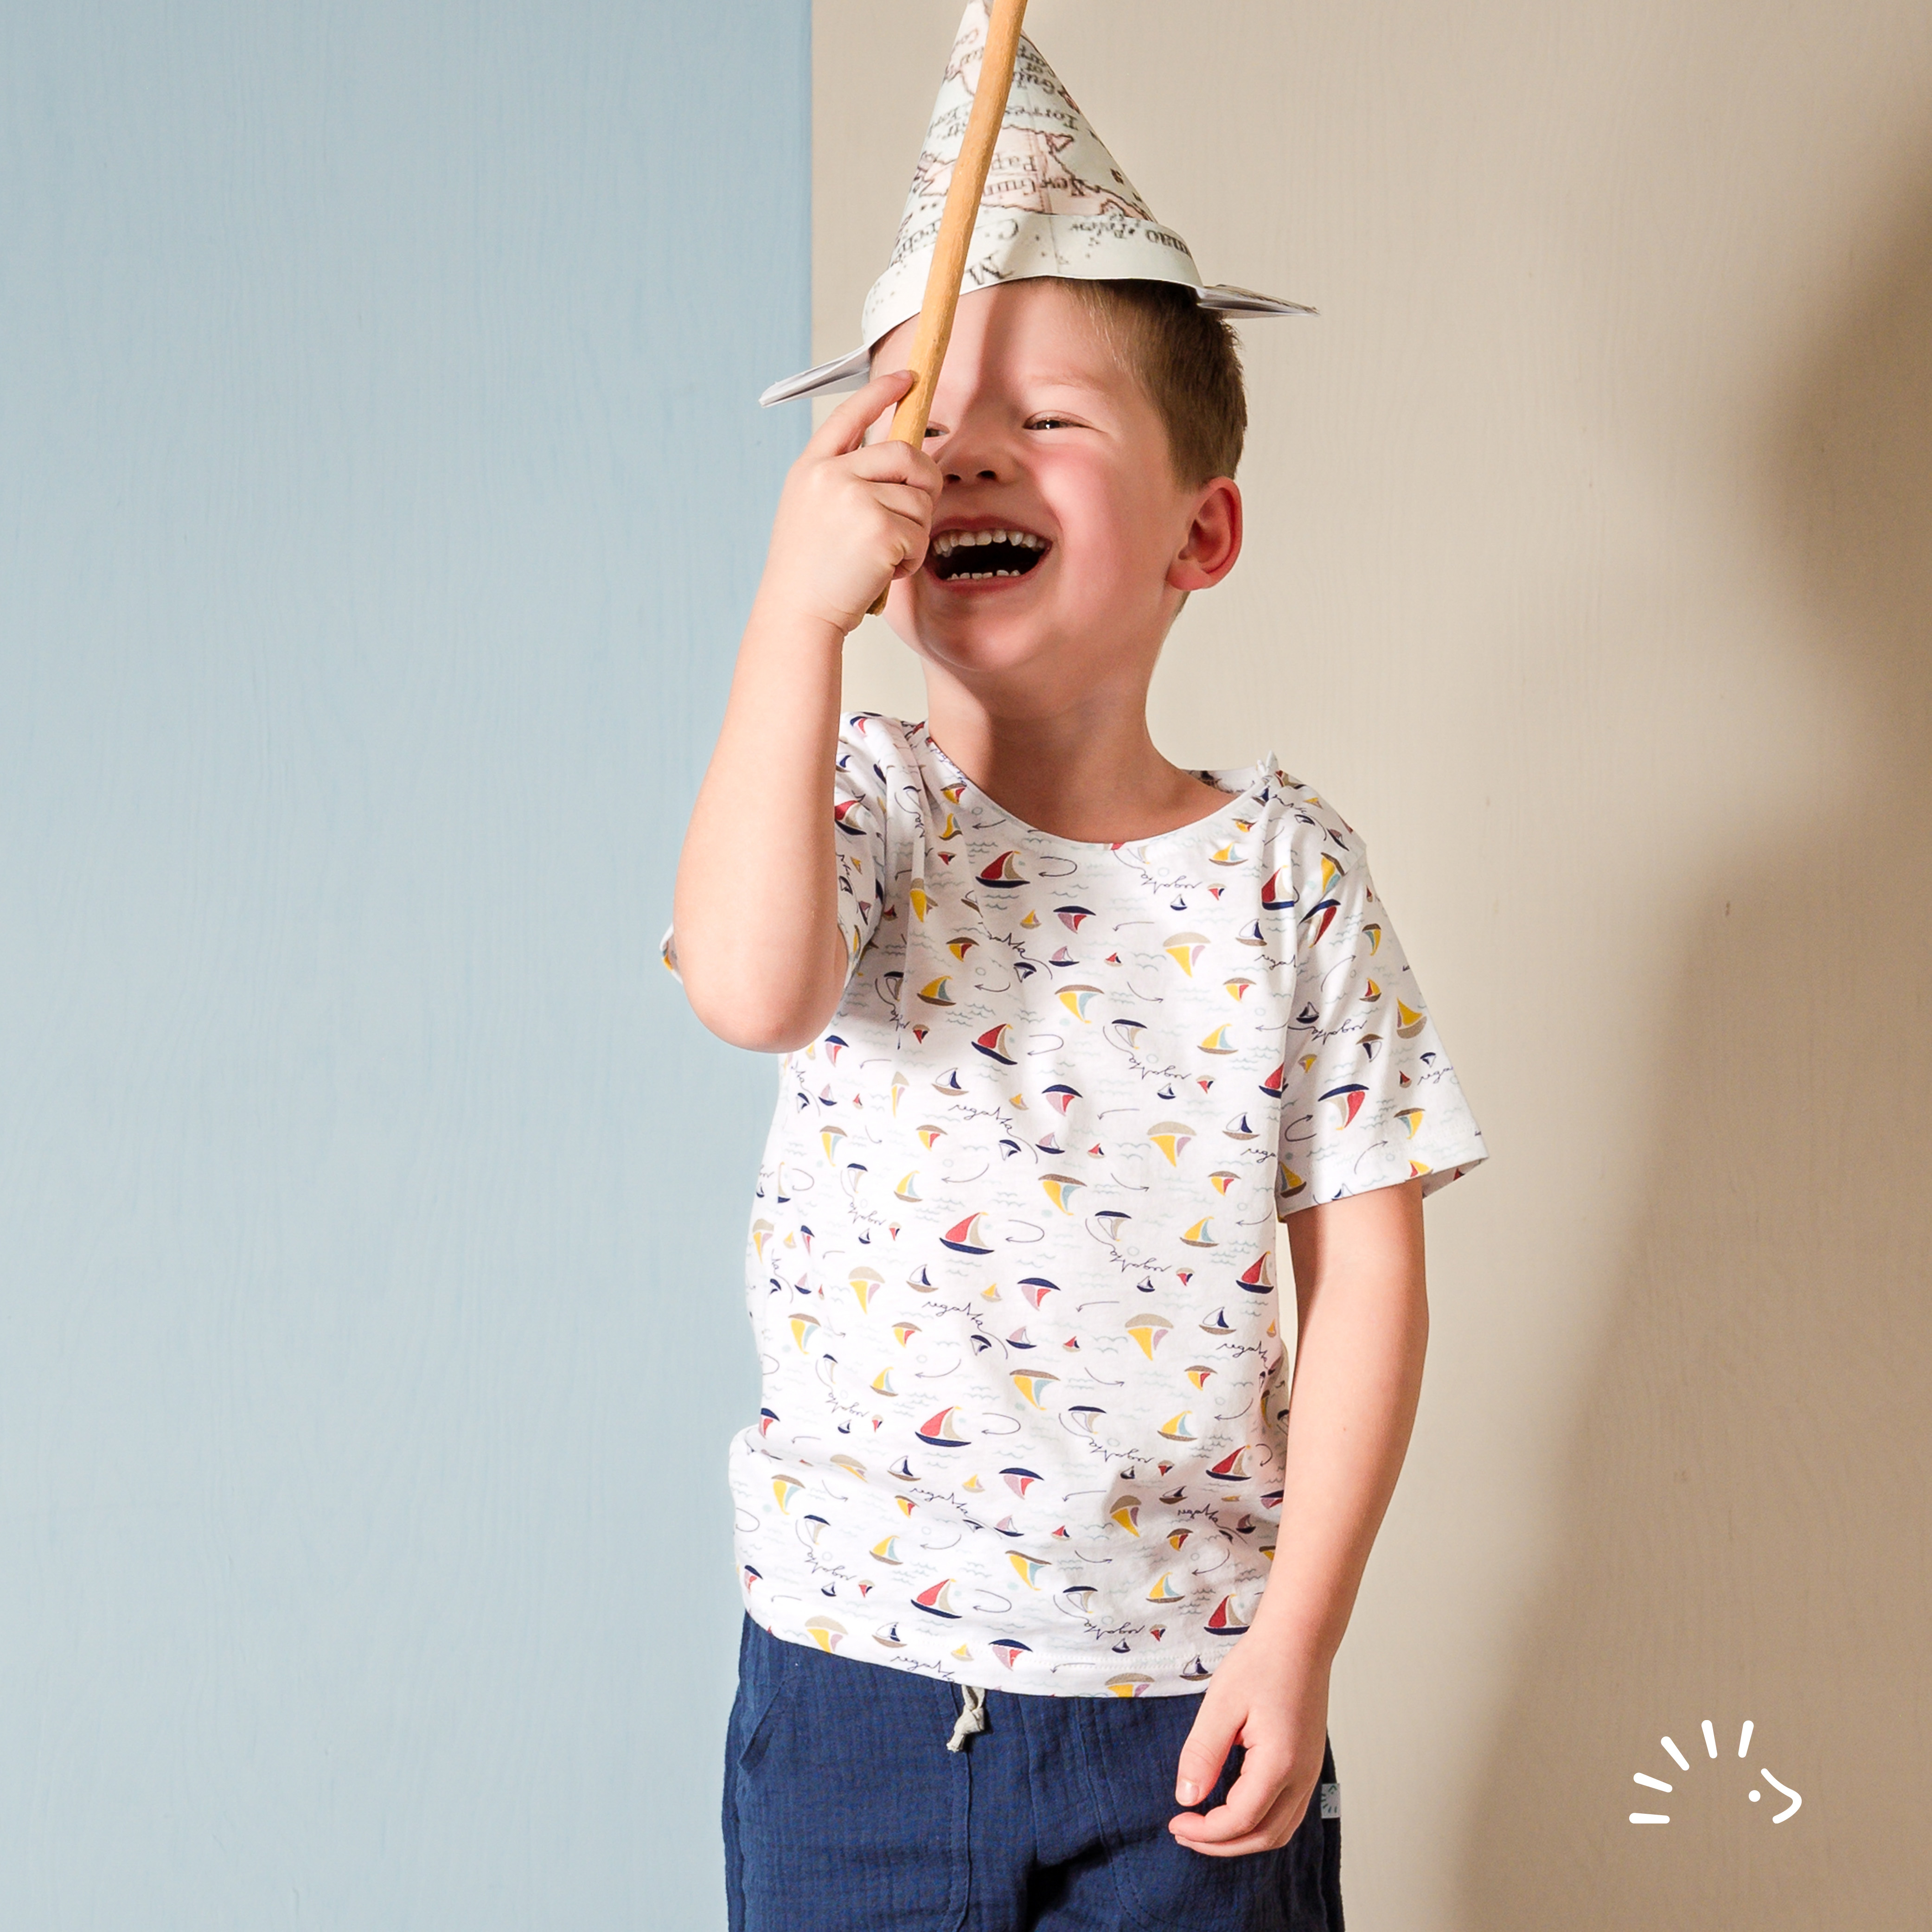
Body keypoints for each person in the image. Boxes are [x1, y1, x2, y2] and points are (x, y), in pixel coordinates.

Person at [663, 11, 1486, 1929]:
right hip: (860, 1680)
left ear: (1204, 530)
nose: (964, 450)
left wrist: (1300, 1635)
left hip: (1188, 1686)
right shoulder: (861, 808)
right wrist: (790, 622)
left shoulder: (1288, 878)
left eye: (1045, 420)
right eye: (920, 422)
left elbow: (1369, 1277)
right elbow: (752, 988)